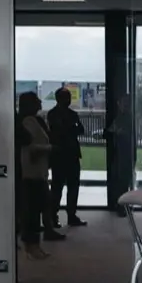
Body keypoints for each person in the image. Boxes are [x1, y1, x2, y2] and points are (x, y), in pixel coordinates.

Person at [17, 91, 55, 259]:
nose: (40, 102)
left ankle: (35, 245)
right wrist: (50, 149)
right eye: (36, 100)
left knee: (39, 207)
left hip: (39, 171)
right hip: (31, 173)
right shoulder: (27, 122)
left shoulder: (36, 120)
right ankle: (31, 246)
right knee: (32, 211)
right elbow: (31, 147)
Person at [46, 86, 86, 228]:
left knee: (73, 187)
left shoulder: (72, 114)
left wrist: (69, 128)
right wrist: (71, 128)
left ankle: (71, 215)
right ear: (58, 99)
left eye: (69, 97)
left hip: (72, 155)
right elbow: (59, 131)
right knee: (57, 188)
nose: (68, 100)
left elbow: (81, 129)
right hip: (59, 155)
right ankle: (53, 216)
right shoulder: (52, 114)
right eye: (65, 98)